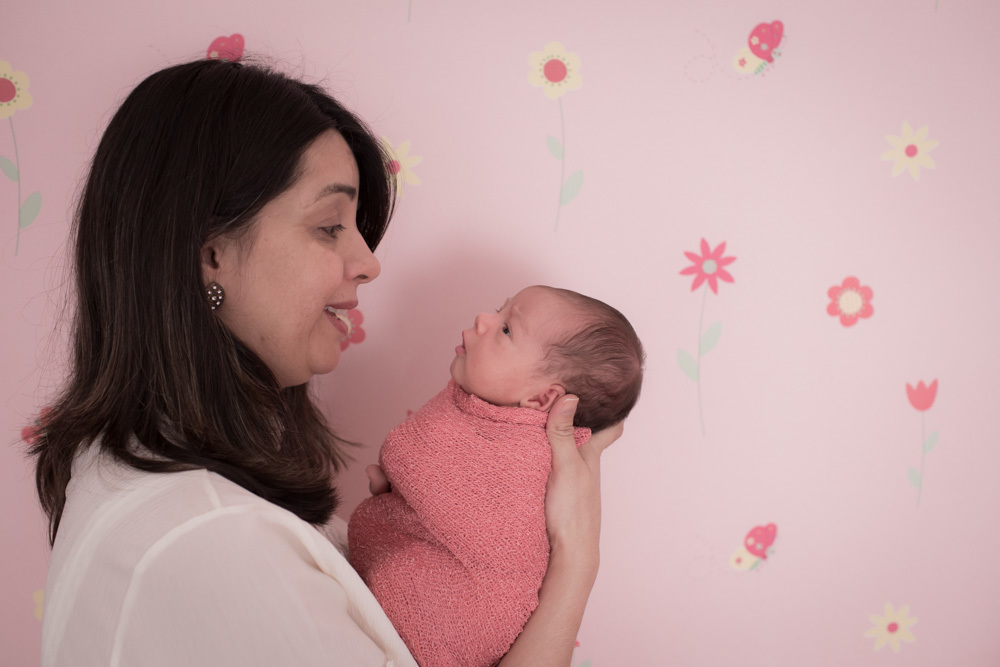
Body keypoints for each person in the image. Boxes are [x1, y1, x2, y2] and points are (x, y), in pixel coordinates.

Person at [27, 58, 622, 667]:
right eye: (329, 226)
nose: (369, 262)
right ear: (210, 256)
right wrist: (575, 561)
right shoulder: (215, 544)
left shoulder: (140, 476)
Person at [349, 285, 644, 667]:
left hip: (464, 621)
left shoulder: (529, 454)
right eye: (497, 311)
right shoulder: (485, 414)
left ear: (541, 400)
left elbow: (407, 455)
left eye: (506, 329)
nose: (483, 320)